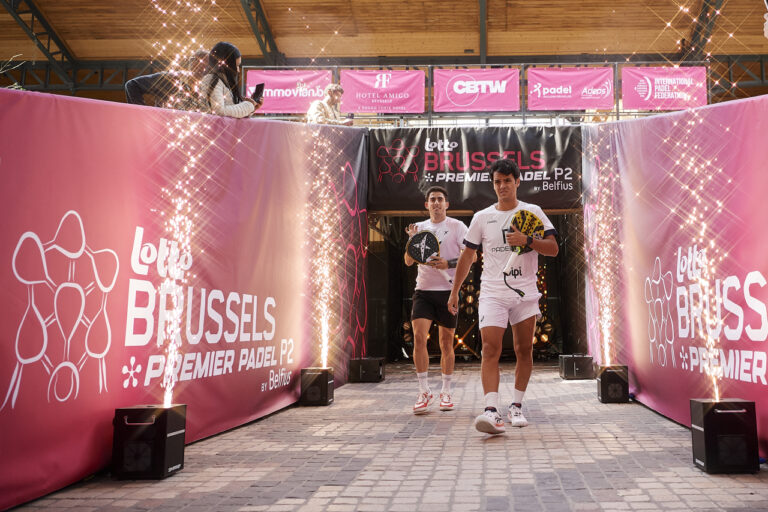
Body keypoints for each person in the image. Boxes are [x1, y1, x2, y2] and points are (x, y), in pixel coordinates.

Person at [447, 159, 558, 435]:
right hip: (493, 293)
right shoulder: (482, 217)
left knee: (524, 350)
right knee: (490, 349)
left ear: (517, 182)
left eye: (508, 180)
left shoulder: (533, 212)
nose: (502, 186)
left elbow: (554, 248)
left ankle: (516, 406)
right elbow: (468, 256)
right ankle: (491, 410)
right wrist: (454, 291)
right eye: (498, 181)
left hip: (525, 293)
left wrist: (528, 241)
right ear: (493, 184)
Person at [404, 186, 473, 414]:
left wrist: (449, 263)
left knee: (446, 343)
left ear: (446, 204)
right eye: (432, 199)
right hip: (423, 291)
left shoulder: (457, 226)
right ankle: (424, 391)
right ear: (427, 205)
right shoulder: (420, 228)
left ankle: (446, 391)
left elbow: (471, 256)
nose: (436, 203)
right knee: (419, 338)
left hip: (448, 292)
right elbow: (407, 261)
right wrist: (412, 241)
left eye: (440, 199)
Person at [124, 49, 208, 110]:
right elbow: (132, 85)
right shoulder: (170, 79)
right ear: (192, 63)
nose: (202, 69)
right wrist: (142, 113)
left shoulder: (205, 92)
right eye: (200, 64)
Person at [200, 42, 261, 118]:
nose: (238, 70)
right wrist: (249, 105)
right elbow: (219, 111)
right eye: (237, 66)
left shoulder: (223, 80)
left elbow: (230, 111)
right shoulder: (211, 79)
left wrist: (252, 107)